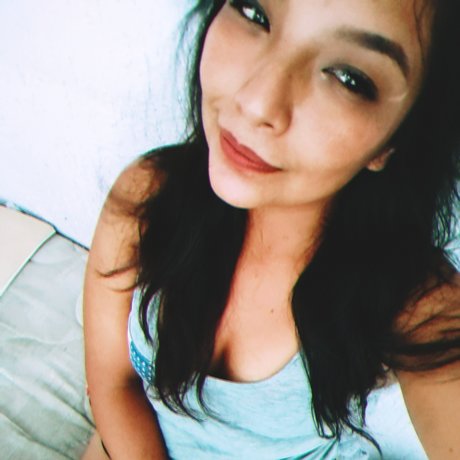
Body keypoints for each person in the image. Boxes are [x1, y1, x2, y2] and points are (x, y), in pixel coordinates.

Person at [82, 0, 460, 458]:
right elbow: (114, 383)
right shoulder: (146, 199)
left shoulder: (414, 302)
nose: (257, 102)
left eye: (348, 78)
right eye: (254, 12)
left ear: (396, 139)